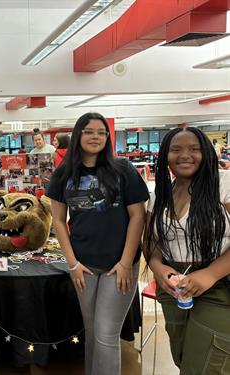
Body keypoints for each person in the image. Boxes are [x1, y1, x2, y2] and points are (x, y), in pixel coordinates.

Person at [47, 112, 149, 375]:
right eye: (89, 131)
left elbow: (138, 216)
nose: (96, 137)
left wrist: (126, 263)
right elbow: (58, 220)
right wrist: (73, 264)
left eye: (101, 132)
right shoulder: (63, 174)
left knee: (105, 335)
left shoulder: (123, 169)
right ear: (78, 135)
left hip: (120, 265)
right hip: (84, 265)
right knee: (92, 333)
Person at [144, 127, 230, 374]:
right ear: (165, 156)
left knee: (204, 365)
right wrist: (158, 268)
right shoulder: (161, 194)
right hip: (173, 289)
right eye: (176, 149)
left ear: (207, 153)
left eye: (195, 149)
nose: (185, 155)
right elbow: (151, 240)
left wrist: (211, 273)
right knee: (183, 358)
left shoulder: (223, 183)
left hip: (221, 286)